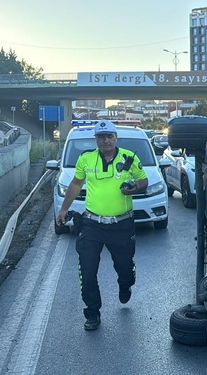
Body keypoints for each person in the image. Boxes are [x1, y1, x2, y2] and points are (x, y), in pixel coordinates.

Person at [56, 120, 148, 330]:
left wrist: (134, 188)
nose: (105, 140)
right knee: (87, 271)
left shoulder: (129, 157)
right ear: (96, 139)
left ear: (116, 138)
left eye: (109, 136)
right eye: (101, 137)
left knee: (124, 268)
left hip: (121, 225)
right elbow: (76, 184)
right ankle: (92, 313)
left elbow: (143, 181)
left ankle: (125, 285)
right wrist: (63, 209)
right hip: (92, 224)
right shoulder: (85, 159)